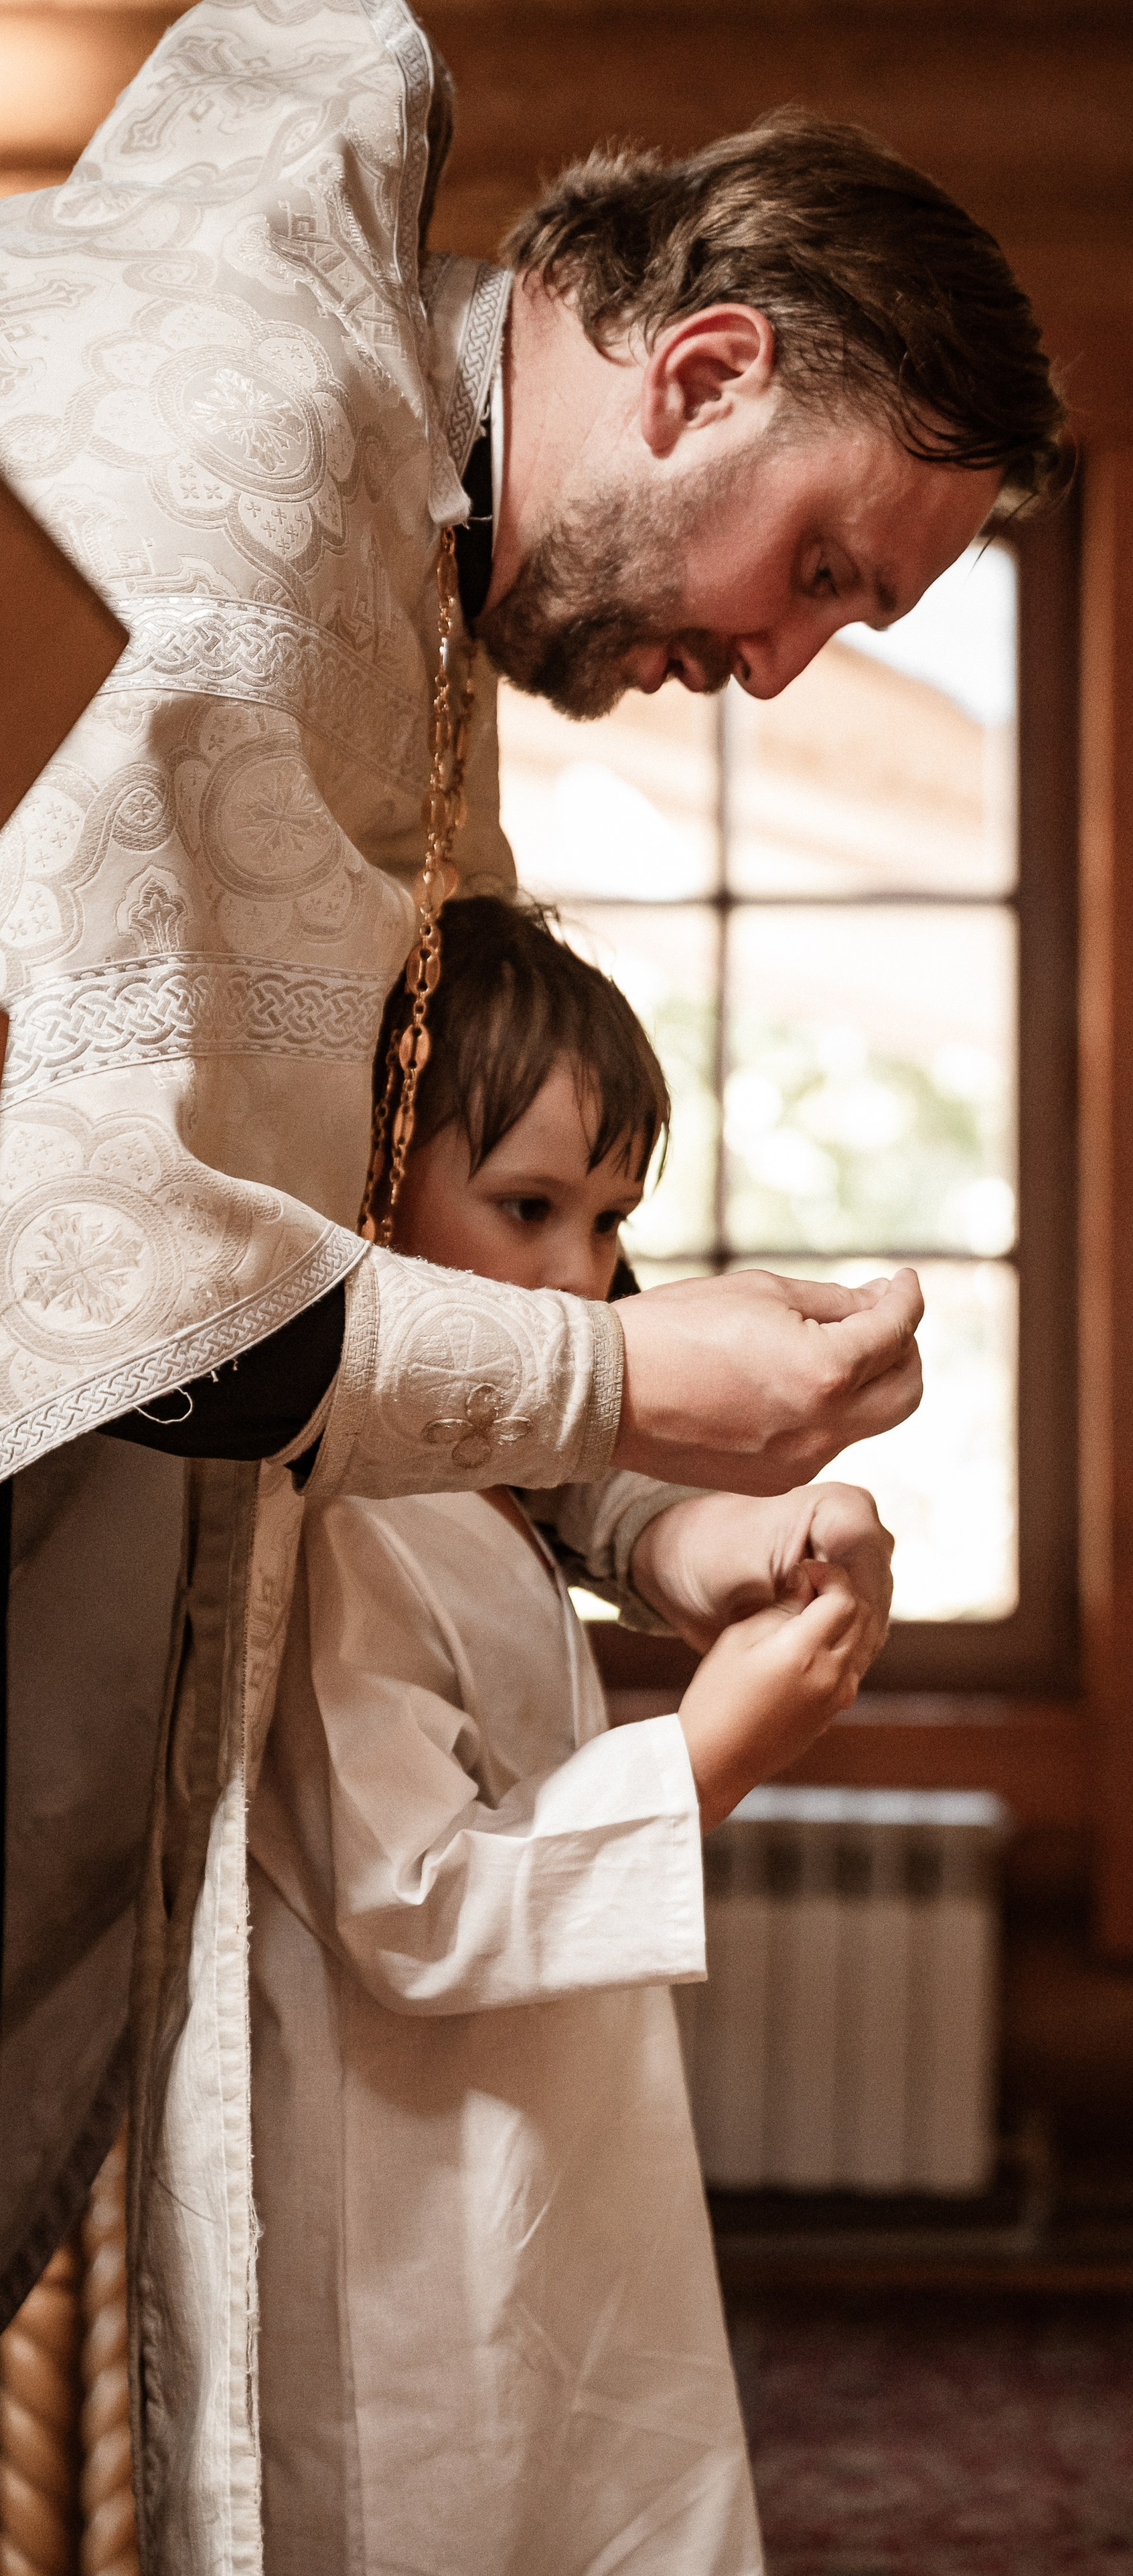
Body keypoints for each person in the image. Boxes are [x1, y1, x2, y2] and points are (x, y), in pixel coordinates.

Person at [0, 0, 1067, 2558]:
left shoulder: (415, 544)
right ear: (698, 367)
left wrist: (651, 1520)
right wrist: (620, 1371)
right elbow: (96, 1259)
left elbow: (355, 1211)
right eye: (816, 562)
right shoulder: (247, 481)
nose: (788, 660)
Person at [250, 899, 867, 2573]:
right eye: (523, 1208)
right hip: (398, 2198)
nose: (577, 1284)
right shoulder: (326, 1524)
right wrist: (705, 1754)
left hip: (542, 2130)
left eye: (605, 1226)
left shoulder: (473, 1484)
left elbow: (583, 1473)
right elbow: (414, 1900)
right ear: (373, 1185)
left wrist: (705, 1545)